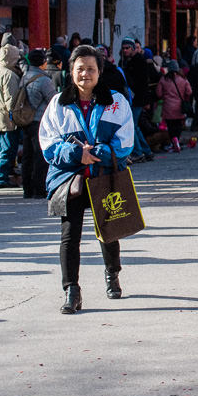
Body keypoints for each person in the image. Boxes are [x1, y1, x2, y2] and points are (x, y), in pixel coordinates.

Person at [39, 45, 135, 314]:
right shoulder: (58, 104)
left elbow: (126, 140)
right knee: (69, 236)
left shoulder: (116, 101)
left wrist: (102, 153)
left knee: (109, 231)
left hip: (104, 175)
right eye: (80, 69)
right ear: (71, 72)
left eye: (91, 69)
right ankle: (71, 289)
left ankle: (111, 273)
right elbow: (48, 143)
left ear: (100, 72)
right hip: (70, 178)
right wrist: (74, 154)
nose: (85, 74)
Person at [20, 49, 58, 199]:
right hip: (39, 121)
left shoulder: (24, 77)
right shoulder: (44, 80)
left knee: (27, 156)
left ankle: (27, 189)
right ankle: (39, 188)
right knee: (40, 156)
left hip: (26, 120)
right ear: (42, 62)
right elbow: (53, 100)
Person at [0, 44, 23, 189]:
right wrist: (16, 116)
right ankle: (2, 177)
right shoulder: (9, 75)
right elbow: (11, 100)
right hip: (7, 118)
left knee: (0, 147)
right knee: (8, 148)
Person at [119, 39, 156, 163]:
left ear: (133, 48)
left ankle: (139, 152)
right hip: (132, 98)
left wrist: (145, 101)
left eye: (127, 48)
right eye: (123, 48)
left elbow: (143, 83)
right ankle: (146, 151)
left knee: (132, 125)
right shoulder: (125, 61)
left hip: (137, 98)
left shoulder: (139, 61)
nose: (125, 50)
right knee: (135, 126)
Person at [157, 60, 193, 153]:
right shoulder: (183, 79)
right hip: (179, 106)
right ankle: (176, 140)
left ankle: (173, 141)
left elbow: (158, 93)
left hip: (168, 106)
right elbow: (189, 91)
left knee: (170, 125)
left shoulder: (163, 79)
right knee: (178, 125)